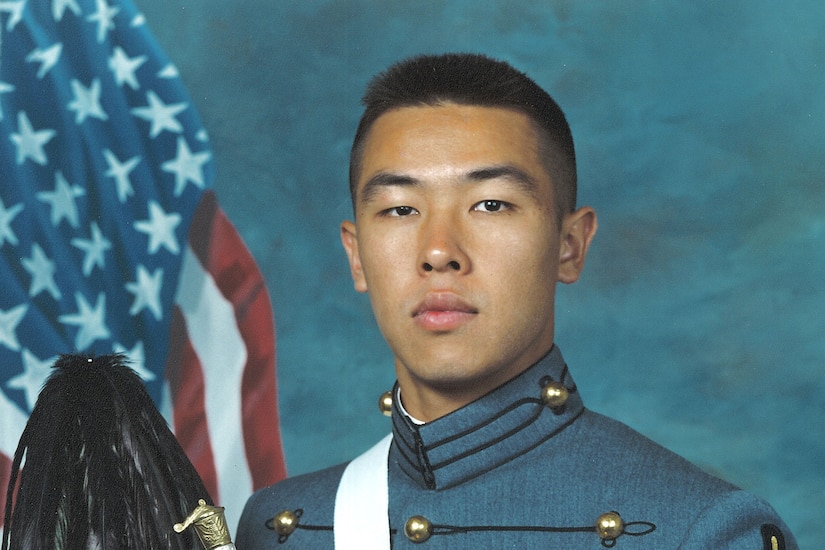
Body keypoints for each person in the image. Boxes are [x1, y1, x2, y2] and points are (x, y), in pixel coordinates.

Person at [236, 53, 797, 549]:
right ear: (357, 256)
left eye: (491, 205)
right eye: (401, 209)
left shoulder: (700, 531)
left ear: (570, 245)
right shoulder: (281, 527)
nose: (438, 252)